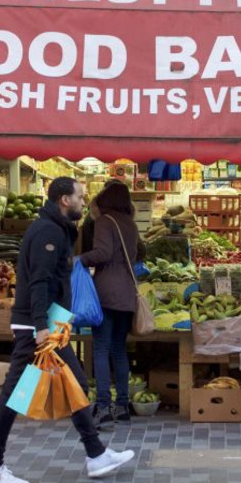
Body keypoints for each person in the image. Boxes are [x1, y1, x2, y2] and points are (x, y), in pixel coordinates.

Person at [0, 177, 135, 483]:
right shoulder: (48, 233)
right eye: (80, 196)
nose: (85, 201)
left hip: (48, 324)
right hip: (36, 328)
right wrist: (41, 325)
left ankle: (95, 454)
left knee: (75, 384)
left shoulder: (55, 230)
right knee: (17, 393)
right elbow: (39, 281)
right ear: (65, 200)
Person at [79, 181, 141, 428]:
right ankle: (122, 406)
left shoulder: (105, 221)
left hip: (106, 292)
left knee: (101, 349)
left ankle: (103, 407)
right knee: (119, 349)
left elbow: (102, 253)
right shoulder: (130, 223)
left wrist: (79, 259)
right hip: (127, 291)